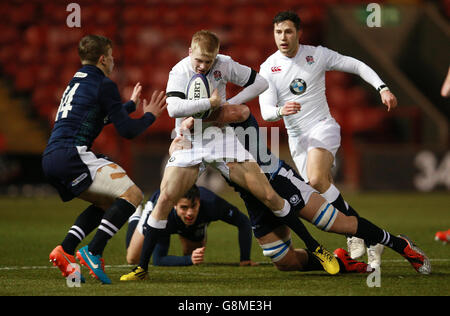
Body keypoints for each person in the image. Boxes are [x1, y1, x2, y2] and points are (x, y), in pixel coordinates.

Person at [140, 29, 340, 280]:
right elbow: (173, 108)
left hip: (221, 140)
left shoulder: (224, 65)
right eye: (198, 60)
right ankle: (141, 268)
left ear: (216, 56)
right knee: (164, 199)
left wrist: (227, 104)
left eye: (208, 61)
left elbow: (260, 82)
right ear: (190, 52)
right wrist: (210, 104)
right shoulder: (179, 71)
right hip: (188, 143)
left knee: (268, 194)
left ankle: (315, 247)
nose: (202, 66)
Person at [174, 108, 430, 274]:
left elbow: (241, 111)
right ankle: (343, 263)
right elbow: (175, 153)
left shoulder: (226, 114)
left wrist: (201, 115)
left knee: (337, 224)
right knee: (284, 262)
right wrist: (180, 141)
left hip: (278, 181)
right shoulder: (198, 139)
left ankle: (401, 244)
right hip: (253, 199)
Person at [258, 11, 398, 263]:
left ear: (299, 33)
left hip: (322, 126)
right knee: (321, 188)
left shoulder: (317, 55)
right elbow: (266, 111)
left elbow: (355, 65)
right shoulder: (268, 67)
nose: (283, 37)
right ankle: (363, 234)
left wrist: (382, 87)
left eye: (288, 31)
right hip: (297, 139)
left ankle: (360, 235)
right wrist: (281, 110)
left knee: (316, 178)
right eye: (278, 32)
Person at [43, 34, 167, 284]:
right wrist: (150, 116)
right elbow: (128, 131)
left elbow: (96, 116)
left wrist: (130, 107)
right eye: (111, 56)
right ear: (102, 58)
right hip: (73, 155)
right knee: (133, 195)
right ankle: (94, 250)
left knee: (106, 203)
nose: (113, 61)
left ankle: (66, 250)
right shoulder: (104, 84)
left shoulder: (75, 81)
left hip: (52, 158)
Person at [120, 185, 258, 280]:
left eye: (194, 206)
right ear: (174, 204)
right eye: (184, 207)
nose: (190, 213)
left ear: (199, 202)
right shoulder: (162, 214)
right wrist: (188, 260)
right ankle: (136, 215)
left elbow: (244, 222)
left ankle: (200, 225)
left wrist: (245, 259)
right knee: (132, 258)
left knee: (192, 254)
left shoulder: (212, 203)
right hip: (162, 215)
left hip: (192, 223)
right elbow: (159, 259)